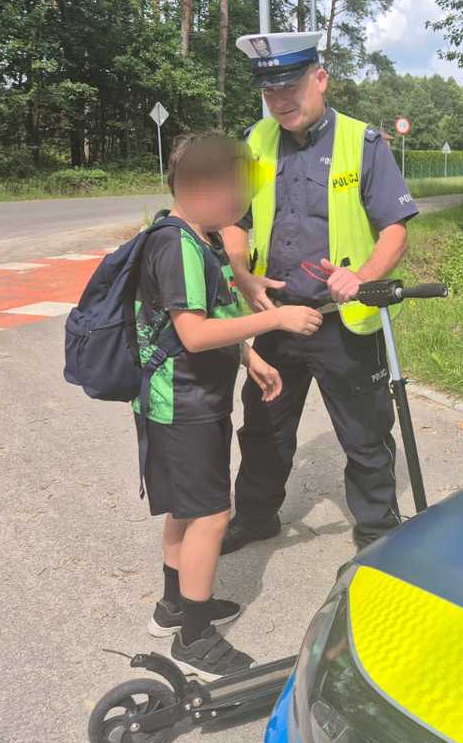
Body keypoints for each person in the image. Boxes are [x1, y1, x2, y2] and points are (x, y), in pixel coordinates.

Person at [221, 31, 418, 553]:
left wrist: (363, 277)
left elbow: (395, 229)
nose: (280, 100)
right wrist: (242, 274)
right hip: (275, 318)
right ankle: (256, 516)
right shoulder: (256, 142)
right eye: (270, 91)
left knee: (365, 433)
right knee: (263, 426)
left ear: (320, 78)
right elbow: (234, 219)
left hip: (341, 320)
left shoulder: (362, 142)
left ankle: (377, 530)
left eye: (290, 87)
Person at [135, 131, 322, 681]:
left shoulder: (200, 240)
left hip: (190, 398)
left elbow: (212, 312)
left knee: (187, 506)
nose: (243, 207)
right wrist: (275, 319)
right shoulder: (177, 247)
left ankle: (174, 606)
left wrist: (249, 356)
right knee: (210, 514)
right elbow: (193, 334)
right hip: (182, 402)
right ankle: (194, 638)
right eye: (237, 194)